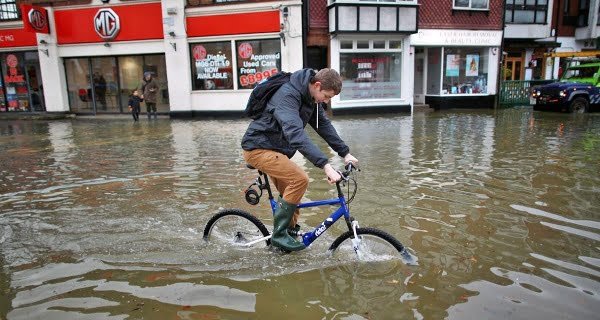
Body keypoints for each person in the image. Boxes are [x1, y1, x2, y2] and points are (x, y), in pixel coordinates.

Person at [241, 68, 358, 252]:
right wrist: (325, 166)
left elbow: (324, 126)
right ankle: (280, 235)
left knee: (292, 192)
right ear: (317, 85)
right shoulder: (288, 96)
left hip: (276, 149)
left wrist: (345, 153)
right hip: (258, 149)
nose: (326, 101)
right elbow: (296, 135)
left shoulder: (310, 97)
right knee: (299, 179)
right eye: (326, 96)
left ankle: (288, 237)